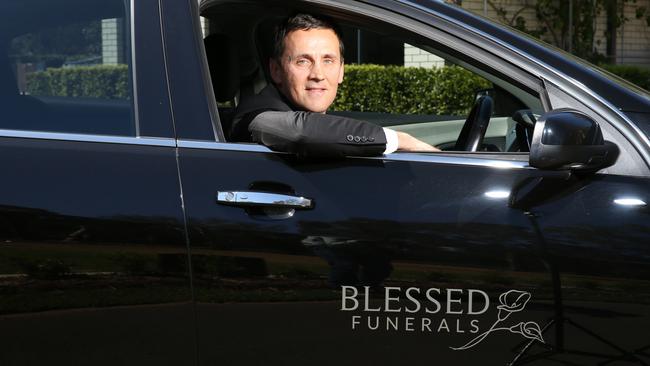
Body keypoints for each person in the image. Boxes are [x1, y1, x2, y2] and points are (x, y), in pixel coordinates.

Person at [229, 13, 439, 157]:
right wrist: (400, 140)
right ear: (276, 70)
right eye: (303, 61)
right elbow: (301, 132)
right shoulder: (256, 113)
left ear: (341, 70)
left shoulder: (323, 123)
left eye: (328, 60)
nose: (318, 74)